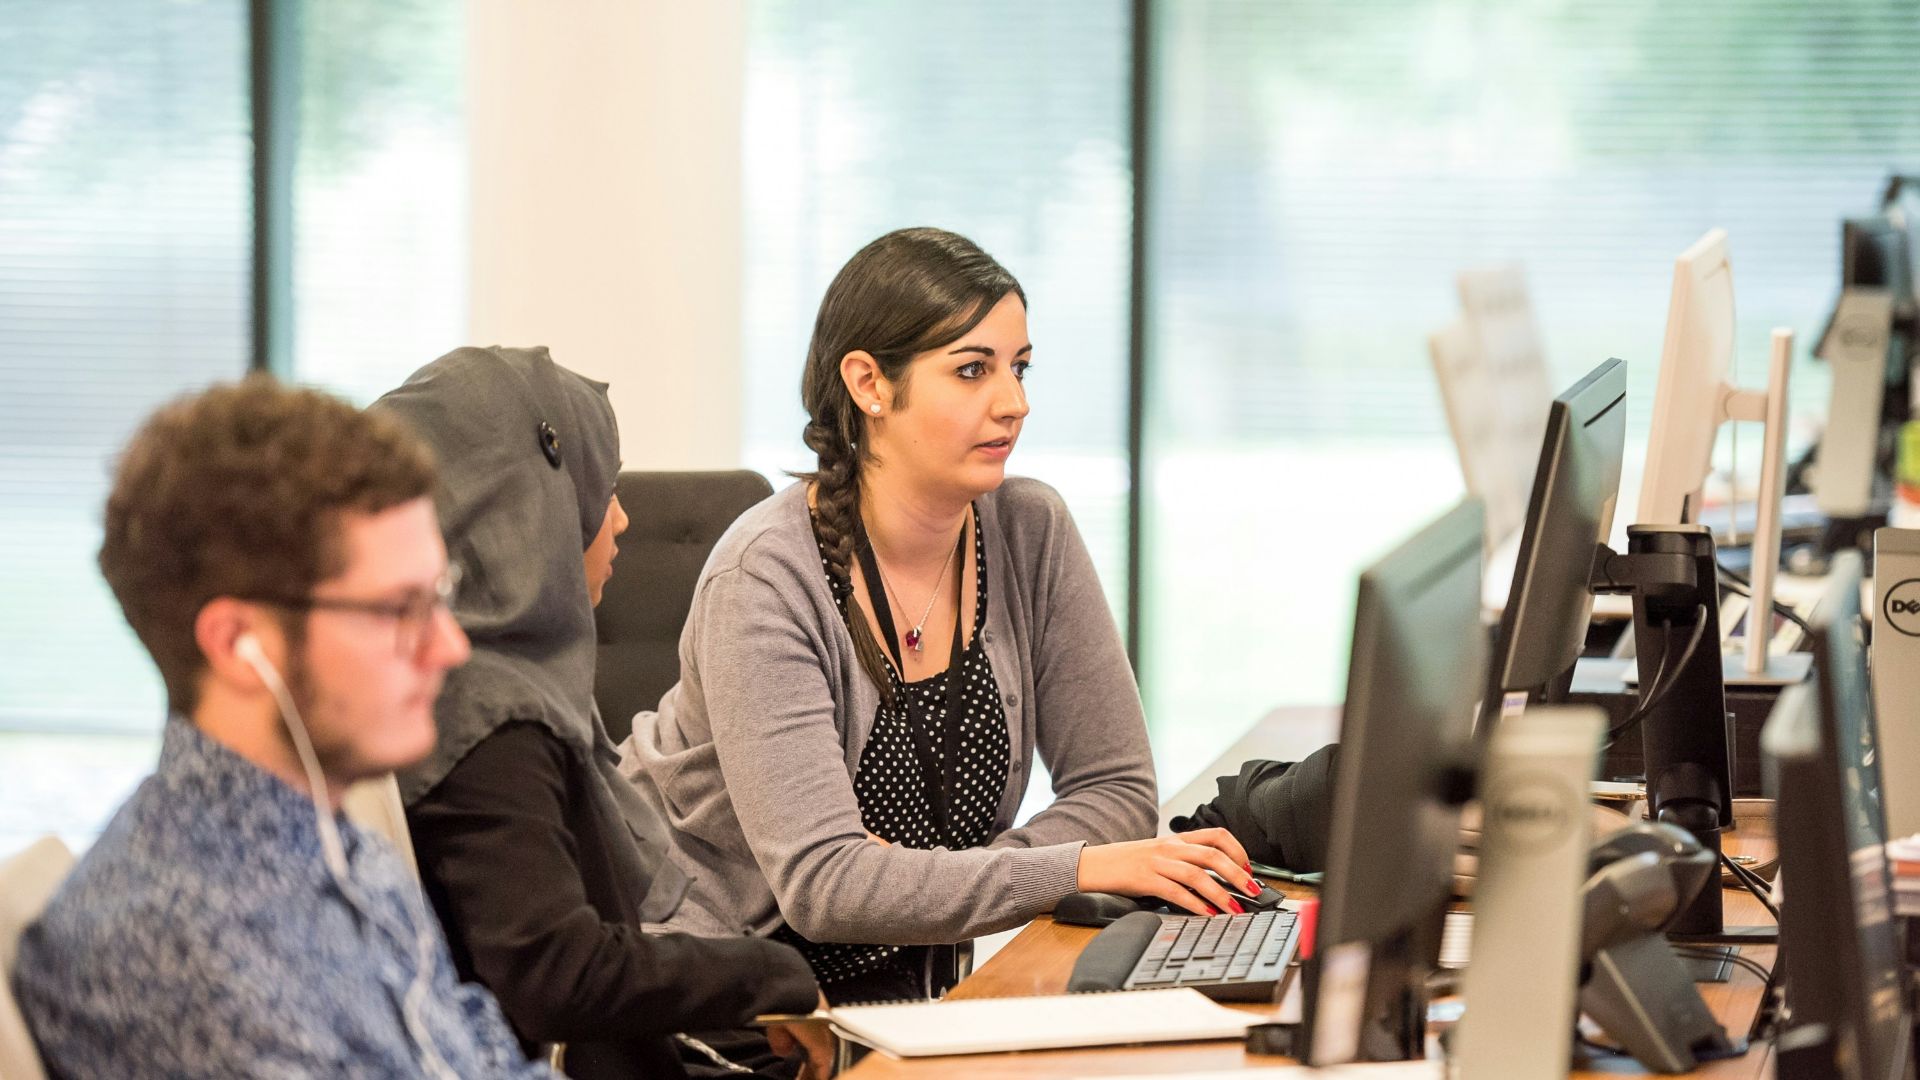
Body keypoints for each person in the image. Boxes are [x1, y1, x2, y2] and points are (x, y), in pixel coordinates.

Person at [623, 228, 1257, 1002]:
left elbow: (1117, 790)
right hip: (734, 1001)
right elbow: (826, 886)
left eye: (1019, 368)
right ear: (869, 384)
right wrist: (1073, 865)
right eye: (972, 370)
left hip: (914, 991)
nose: (1014, 403)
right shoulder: (766, 577)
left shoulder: (1029, 530)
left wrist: (925, 881)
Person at [12, 377, 554, 1077]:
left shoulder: (337, 845)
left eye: (439, 594)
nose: (449, 645)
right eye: (399, 608)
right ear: (240, 644)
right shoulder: (187, 951)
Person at [376, 346, 830, 1080]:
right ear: (527, 505)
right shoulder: (492, 720)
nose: (620, 519)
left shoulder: (484, 686)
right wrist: (771, 975)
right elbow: (555, 974)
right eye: (601, 489)